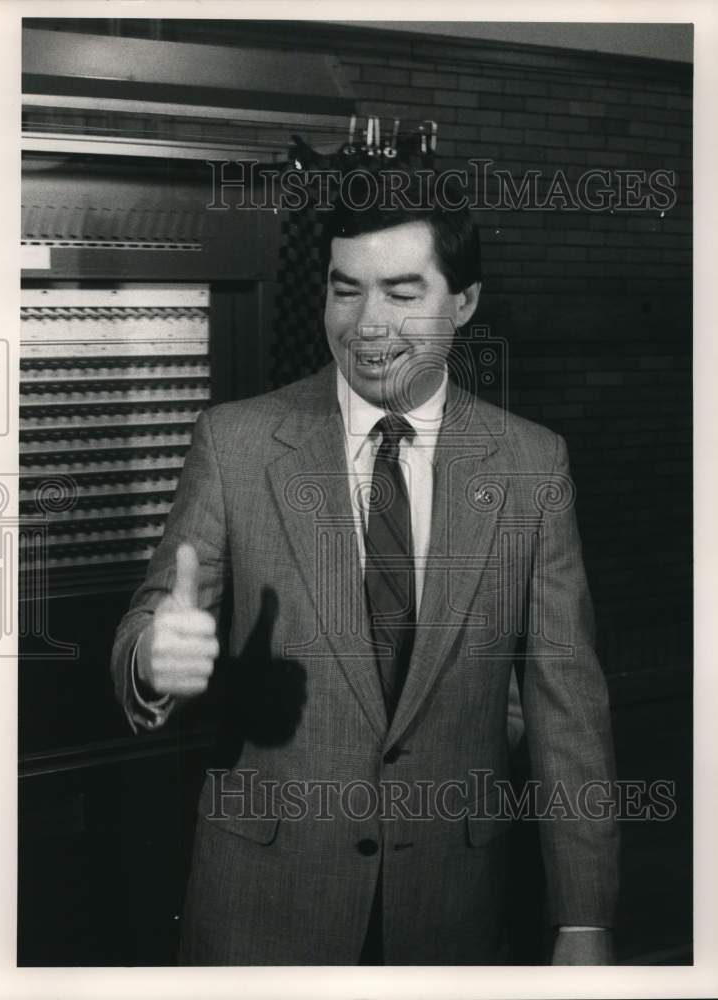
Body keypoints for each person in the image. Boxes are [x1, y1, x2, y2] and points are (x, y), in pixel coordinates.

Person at [111, 177, 619, 965]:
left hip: (453, 911)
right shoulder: (238, 442)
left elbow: (567, 711)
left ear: (464, 301)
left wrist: (583, 920)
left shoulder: (531, 464)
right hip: (262, 909)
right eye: (344, 290)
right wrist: (152, 656)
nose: (366, 323)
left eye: (400, 292)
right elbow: (153, 614)